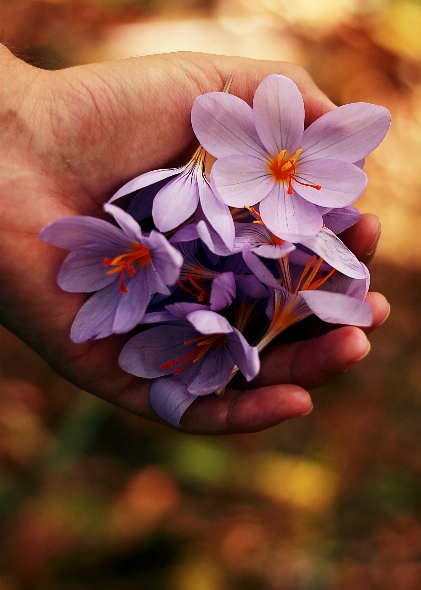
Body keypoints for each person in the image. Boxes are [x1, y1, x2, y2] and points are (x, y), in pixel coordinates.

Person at [0, 43, 389, 434]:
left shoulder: (274, 209)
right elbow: (233, 177)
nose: (288, 165)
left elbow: (285, 218)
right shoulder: (238, 193)